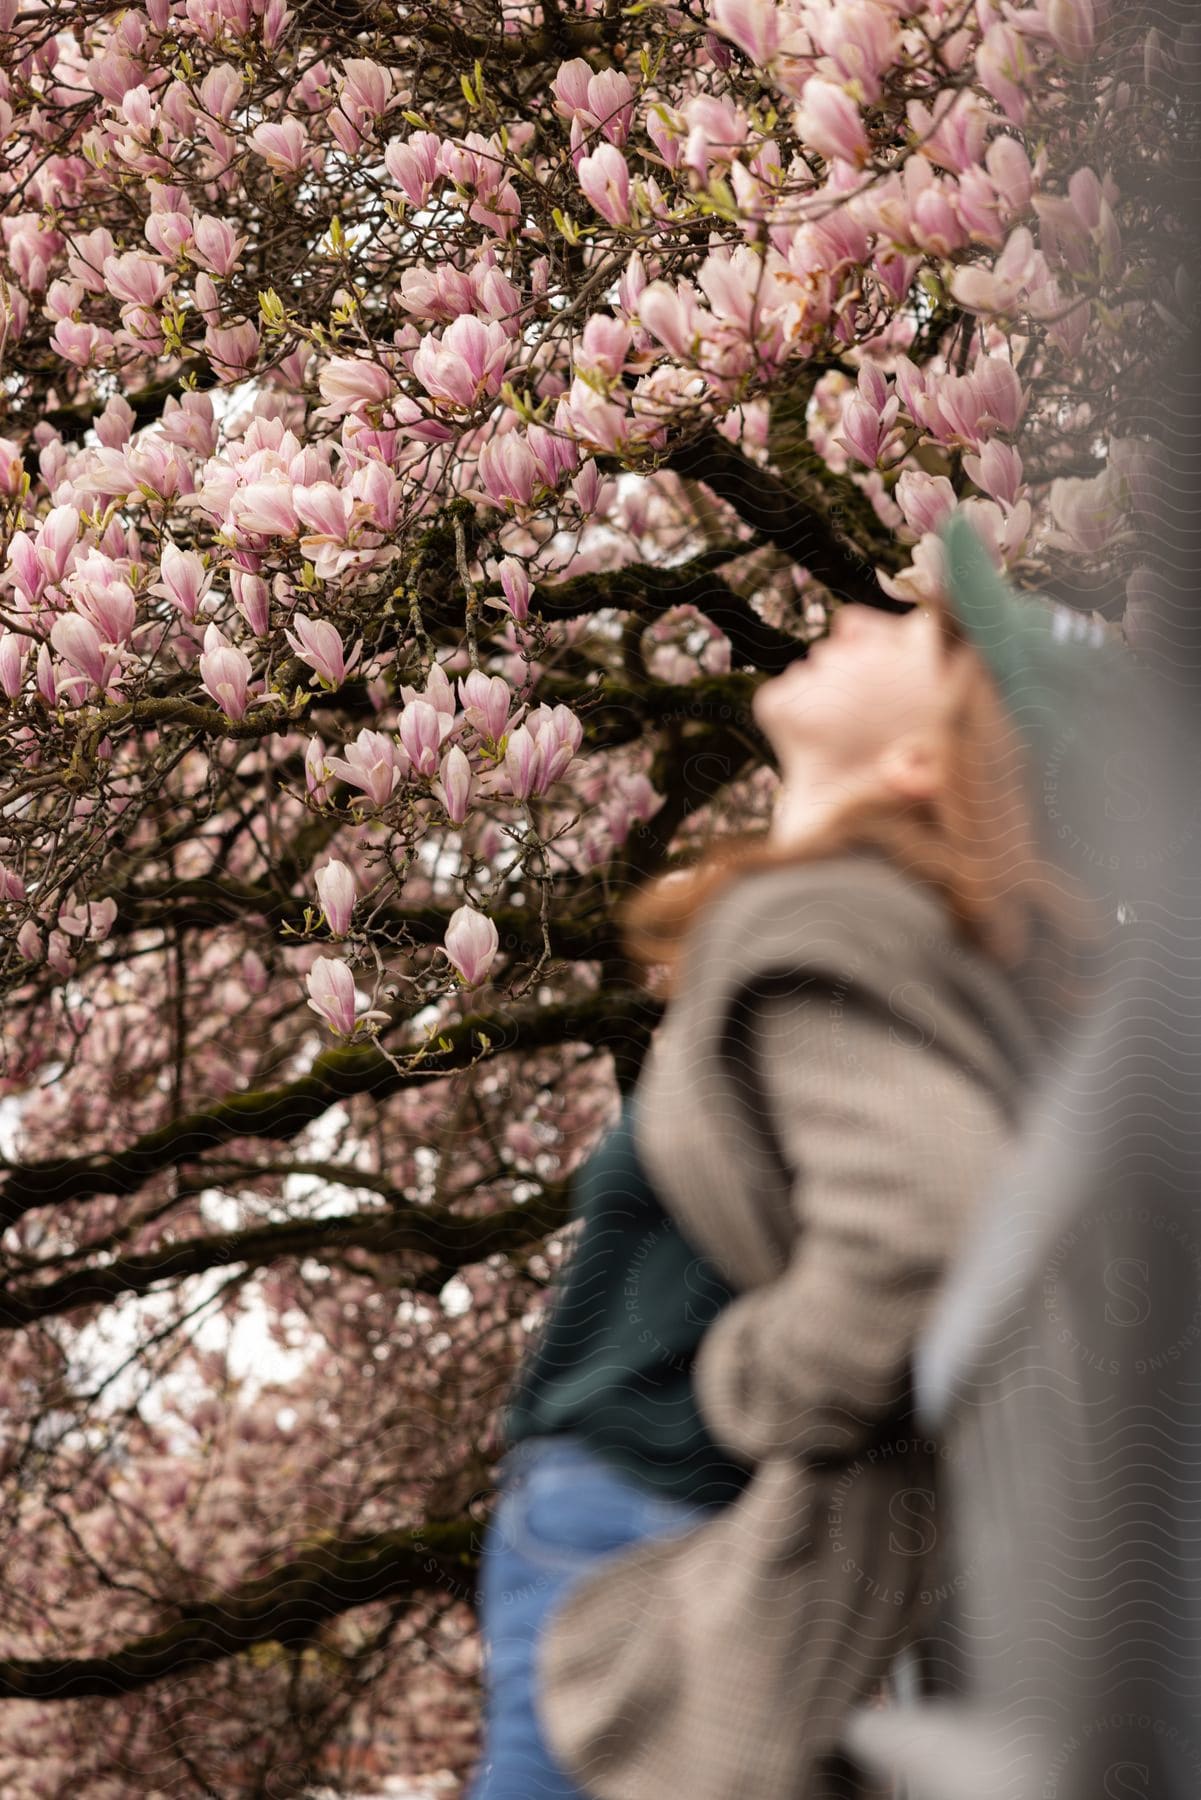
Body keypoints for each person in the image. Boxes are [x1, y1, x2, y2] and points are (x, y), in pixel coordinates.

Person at [465, 511, 1098, 1800]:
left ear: (925, 758)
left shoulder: (824, 919)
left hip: (646, 1533)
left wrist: (748, 1387)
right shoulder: (885, 941)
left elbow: (924, 1216)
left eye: (917, 633)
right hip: (649, 1530)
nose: (864, 612)